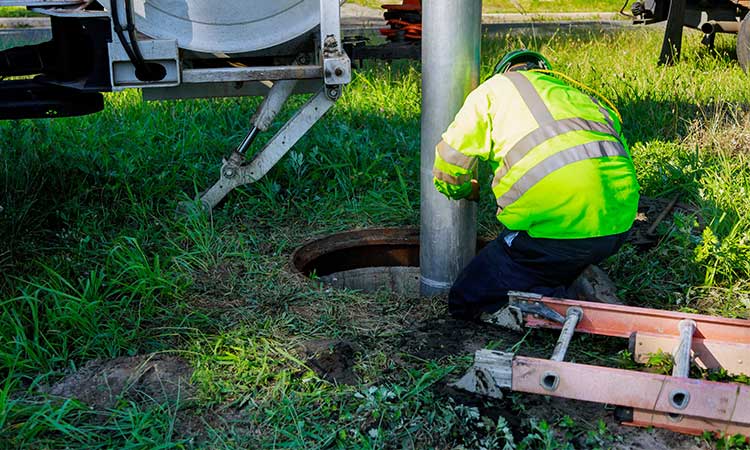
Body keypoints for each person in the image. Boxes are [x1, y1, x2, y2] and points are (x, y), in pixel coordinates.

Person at [432, 49, 640, 320]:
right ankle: (576, 277)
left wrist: (462, 190)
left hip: (555, 234)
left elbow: (450, 162)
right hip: (618, 227)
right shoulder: (580, 97)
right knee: (553, 257)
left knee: (464, 299)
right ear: (544, 72)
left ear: (504, 72)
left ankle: (560, 301)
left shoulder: (493, 90)